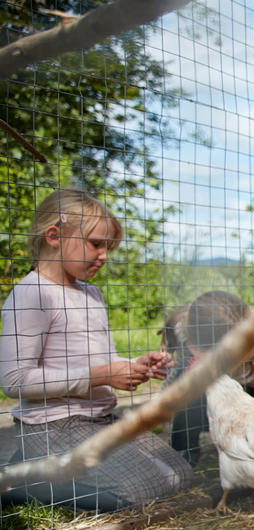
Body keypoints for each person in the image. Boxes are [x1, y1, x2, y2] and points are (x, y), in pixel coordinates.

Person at [0, 188, 192, 512]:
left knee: (179, 474)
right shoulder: (31, 294)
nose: (104, 256)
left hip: (100, 420)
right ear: (53, 235)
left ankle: (39, 471)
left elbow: (103, 361)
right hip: (52, 427)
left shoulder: (92, 294)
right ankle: (27, 482)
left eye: (108, 247)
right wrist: (99, 375)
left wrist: (136, 365)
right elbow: (14, 380)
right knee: (142, 489)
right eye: (96, 244)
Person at [164, 289, 254, 465]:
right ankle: (184, 455)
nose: (252, 344)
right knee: (187, 403)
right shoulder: (189, 341)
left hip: (243, 390)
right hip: (204, 397)